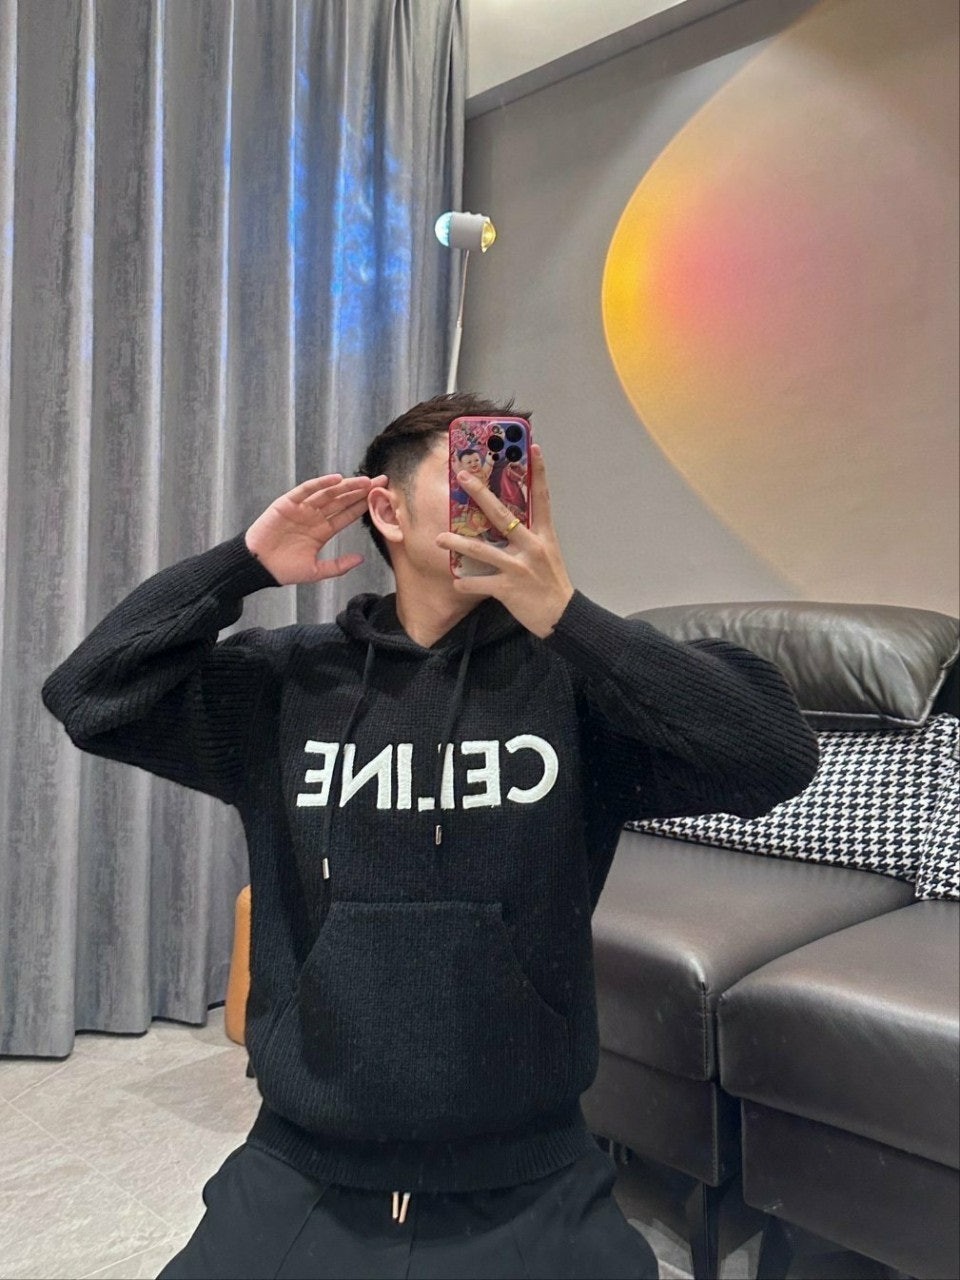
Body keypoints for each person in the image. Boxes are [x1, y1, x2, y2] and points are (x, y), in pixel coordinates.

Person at [40, 391, 821, 1279]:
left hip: (532, 1174)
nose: (495, 503)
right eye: (468, 479)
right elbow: (87, 695)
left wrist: (567, 614)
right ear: (387, 509)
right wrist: (242, 566)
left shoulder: (574, 687)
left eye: (511, 479)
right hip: (305, 1165)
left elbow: (776, 754)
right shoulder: (288, 684)